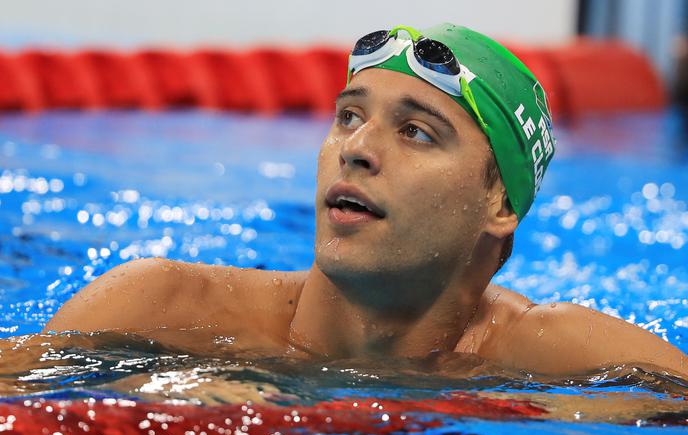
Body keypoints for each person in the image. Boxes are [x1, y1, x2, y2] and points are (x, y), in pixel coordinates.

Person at [44, 24, 687, 378]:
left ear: (499, 202)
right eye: (349, 117)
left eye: (416, 132)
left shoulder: (556, 360)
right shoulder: (157, 309)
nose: (357, 148)